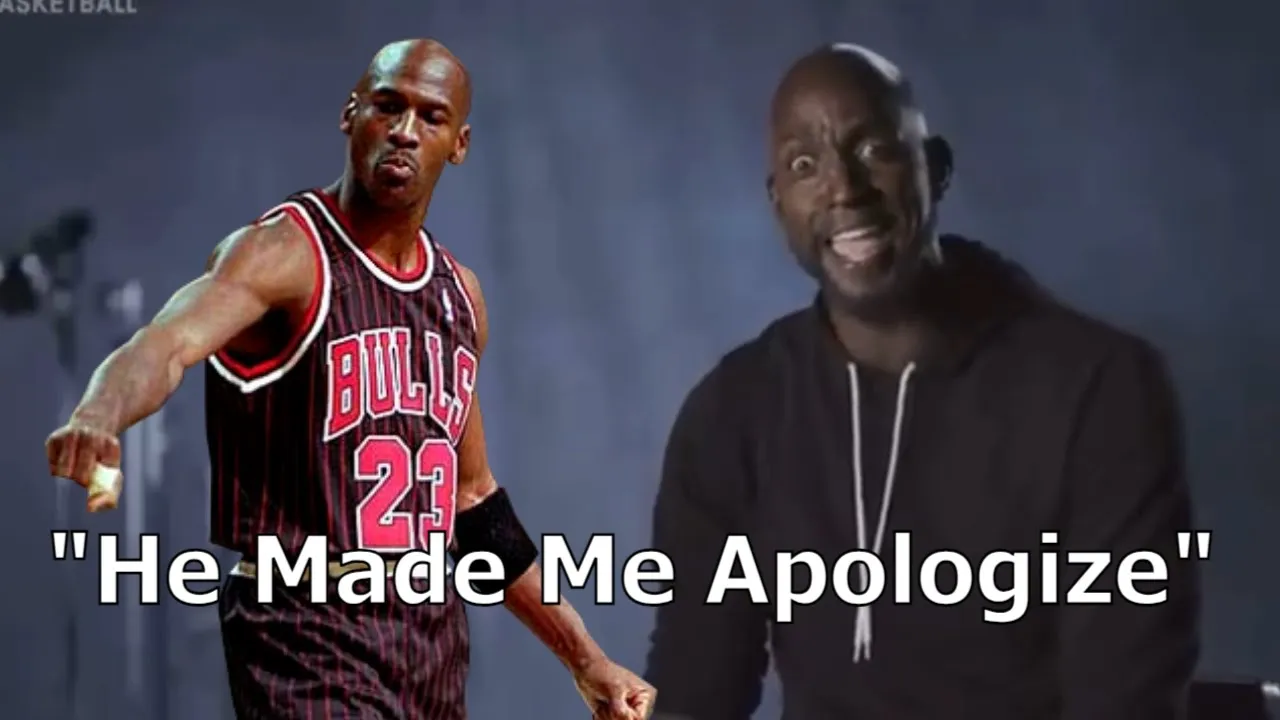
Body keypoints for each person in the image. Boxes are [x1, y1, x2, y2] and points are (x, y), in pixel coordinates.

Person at [45, 38, 655, 720]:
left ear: (458, 144)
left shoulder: (458, 296)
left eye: (431, 116)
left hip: (427, 639)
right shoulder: (282, 253)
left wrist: (585, 659)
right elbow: (165, 343)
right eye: (388, 106)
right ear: (351, 114)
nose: (404, 131)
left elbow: (473, 501)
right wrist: (99, 411)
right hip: (303, 627)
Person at [644, 43, 1199, 720]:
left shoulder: (1101, 390)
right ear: (777, 203)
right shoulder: (734, 413)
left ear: (934, 170)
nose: (844, 189)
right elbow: (693, 687)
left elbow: (1124, 699)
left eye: (874, 149)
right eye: (804, 165)